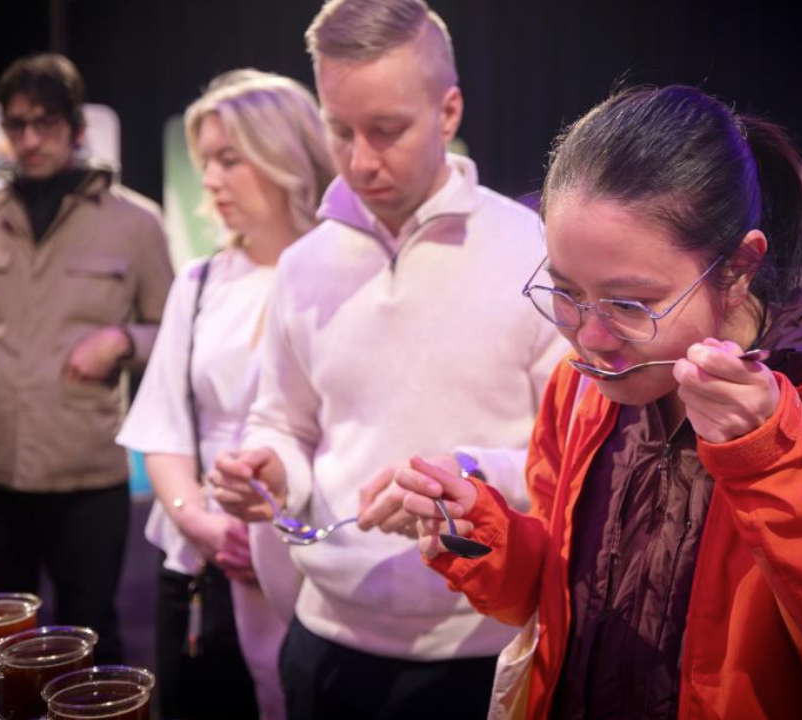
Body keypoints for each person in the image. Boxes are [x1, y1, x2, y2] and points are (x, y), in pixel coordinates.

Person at [397, 85, 802, 719]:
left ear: (739, 267)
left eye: (631, 304)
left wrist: (776, 464)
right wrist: (483, 528)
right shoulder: (582, 383)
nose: (589, 336)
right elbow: (556, 597)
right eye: (565, 291)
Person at [209, 1, 566, 718]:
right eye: (339, 131)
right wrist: (270, 467)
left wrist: (461, 477)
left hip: (482, 643)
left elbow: (568, 450)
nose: (360, 161)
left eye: (387, 131)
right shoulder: (304, 264)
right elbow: (284, 421)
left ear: (449, 111)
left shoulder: (530, 248)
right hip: (327, 638)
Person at [0, 53, 173, 663]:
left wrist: (121, 341)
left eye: (45, 123)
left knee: (91, 638)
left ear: (78, 131)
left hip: (84, 473)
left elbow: (174, 331)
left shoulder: (135, 222)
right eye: (16, 124)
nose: (28, 139)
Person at [117, 68, 334, 720]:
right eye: (204, 161)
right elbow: (161, 427)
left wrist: (279, 542)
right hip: (200, 570)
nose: (208, 180)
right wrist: (202, 525)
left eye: (228, 159)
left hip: (318, 569)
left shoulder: (342, 274)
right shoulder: (201, 281)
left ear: (286, 156)